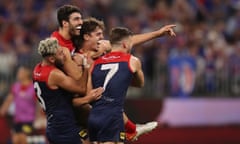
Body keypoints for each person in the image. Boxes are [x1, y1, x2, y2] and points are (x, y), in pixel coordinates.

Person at [72, 17, 176, 141]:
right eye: (98, 34)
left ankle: (131, 129)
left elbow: (126, 42)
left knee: (108, 102)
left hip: (98, 110)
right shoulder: (76, 60)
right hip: (79, 113)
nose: (101, 38)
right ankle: (132, 129)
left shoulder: (102, 46)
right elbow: (75, 95)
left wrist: (157, 34)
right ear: (86, 37)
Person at [32, 37, 104, 144]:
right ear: (51, 59)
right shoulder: (54, 74)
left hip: (54, 126)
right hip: (63, 127)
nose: (65, 55)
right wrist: (85, 66)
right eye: (61, 53)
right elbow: (81, 89)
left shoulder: (37, 70)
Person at [87, 27, 146, 144]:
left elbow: (89, 93)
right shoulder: (132, 60)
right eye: (130, 44)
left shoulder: (95, 64)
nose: (130, 47)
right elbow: (140, 84)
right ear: (125, 45)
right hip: (112, 117)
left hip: (93, 116)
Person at [0, 66, 37, 144]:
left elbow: (38, 104)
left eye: (20, 72)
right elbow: (8, 100)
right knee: (15, 140)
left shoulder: (33, 87)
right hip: (17, 120)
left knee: (23, 139)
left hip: (29, 120)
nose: (18, 74)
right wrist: (2, 111)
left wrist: (38, 117)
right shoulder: (15, 87)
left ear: (27, 73)